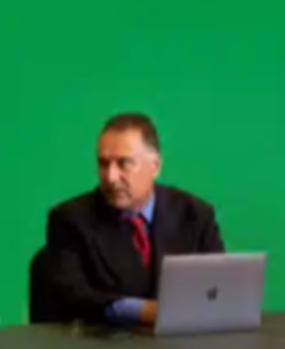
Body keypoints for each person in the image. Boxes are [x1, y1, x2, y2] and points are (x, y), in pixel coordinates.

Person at [36, 110, 224, 329]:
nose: (111, 177)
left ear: (155, 166)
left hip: (184, 347)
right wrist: (144, 311)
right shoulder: (69, 220)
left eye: (124, 163)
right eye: (103, 164)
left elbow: (217, 288)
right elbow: (73, 297)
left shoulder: (195, 215)